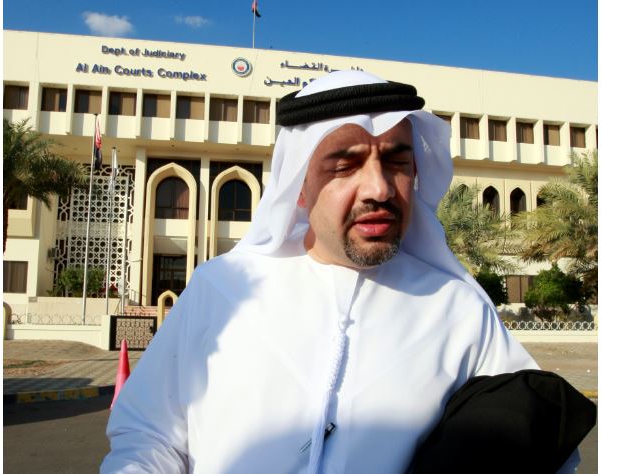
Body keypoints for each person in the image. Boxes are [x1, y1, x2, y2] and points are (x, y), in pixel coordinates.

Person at [102, 70, 580, 473]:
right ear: (300, 186)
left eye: (396, 161)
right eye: (345, 165)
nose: (379, 188)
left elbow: (538, 442)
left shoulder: (457, 309)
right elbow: (148, 436)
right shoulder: (221, 289)